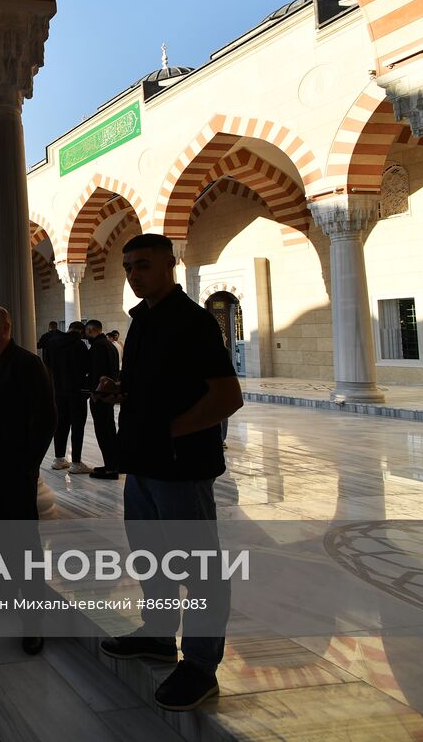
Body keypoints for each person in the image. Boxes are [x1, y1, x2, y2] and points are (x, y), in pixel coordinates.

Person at [94, 233, 242, 711]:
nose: (134, 275)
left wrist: (171, 430)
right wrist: (121, 391)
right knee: (151, 557)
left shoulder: (193, 322)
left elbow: (226, 397)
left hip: (180, 468)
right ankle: (158, 634)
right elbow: (154, 391)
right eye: (129, 267)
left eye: (142, 265)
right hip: (143, 465)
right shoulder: (143, 321)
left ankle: (200, 665)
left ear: (169, 265)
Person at [0, 305, 56, 655]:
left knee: (24, 542)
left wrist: (29, 464)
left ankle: (33, 618)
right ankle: (4, 589)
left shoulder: (27, 365)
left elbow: (46, 418)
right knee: (2, 533)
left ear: (6, 327)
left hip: (15, 470)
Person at [50, 320, 91, 473]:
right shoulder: (79, 345)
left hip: (58, 391)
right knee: (77, 426)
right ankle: (76, 462)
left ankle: (59, 459)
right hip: (76, 391)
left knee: (60, 425)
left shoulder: (54, 345)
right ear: (81, 332)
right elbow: (86, 367)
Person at [85, 319, 121, 479]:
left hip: (101, 396)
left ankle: (111, 469)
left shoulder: (98, 347)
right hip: (108, 395)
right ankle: (112, 464)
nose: (86, 336)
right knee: (108, 429)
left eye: (87, 332)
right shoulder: (110, 345)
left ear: (91, 330)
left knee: (103, 431)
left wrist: (96, 393)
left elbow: (98, 372)